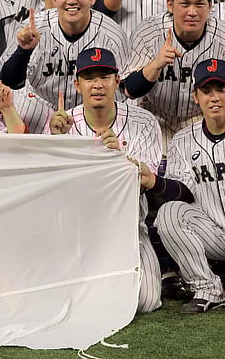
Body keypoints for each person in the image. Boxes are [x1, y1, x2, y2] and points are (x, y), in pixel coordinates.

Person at [47, 47, 164, 313]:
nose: (97, 84)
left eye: (104, 76)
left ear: (117, 80)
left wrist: (118, 159)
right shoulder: (63, 124)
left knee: (145, 300)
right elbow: (53, 189)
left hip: (128, 229)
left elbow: (148, 182)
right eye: (89, 77)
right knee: (59, 300)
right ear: (77, 83)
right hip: (77, 231)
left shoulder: (143, 122)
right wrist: (57, 143)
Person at [0, 0, 128, 133]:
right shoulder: (33, 27)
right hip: (39, 107)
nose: (71, 0)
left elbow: (122, 91)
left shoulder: (113, 35)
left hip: (89, 116)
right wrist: (24, 50)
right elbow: (10, 81)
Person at [123, 0, 225, 145]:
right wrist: (156, 64)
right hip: (154, 118)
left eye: (199, 4)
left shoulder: (222, 37)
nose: (192, 12)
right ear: (170, 5)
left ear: (210, 5)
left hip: (201, 119)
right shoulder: (149, 32)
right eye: (185, 4)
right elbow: (130, 90)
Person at [156, 58, 225, 313]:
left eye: (221, 89)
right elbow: (182, 192)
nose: (214, 97)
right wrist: (154, 182)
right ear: (196, 96)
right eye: (207, 91)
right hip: (212, 233)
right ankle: (207, 288)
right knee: (170, 212)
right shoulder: (184, 140)